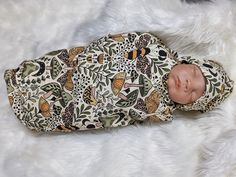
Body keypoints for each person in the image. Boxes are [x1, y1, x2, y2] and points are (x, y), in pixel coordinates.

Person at [4, 32, 234, 132]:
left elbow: (125, 118)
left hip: (89, 107)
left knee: (57, 109)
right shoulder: (154, 48)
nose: (187, 84)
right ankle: (22, 78)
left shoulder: (162, 111)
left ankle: (33, 113)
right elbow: (120, 42)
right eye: (193, 74)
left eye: (194, 93)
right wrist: (95, 55)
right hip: (87, 67)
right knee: (55, 70)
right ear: (188, 61)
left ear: (188, 106)